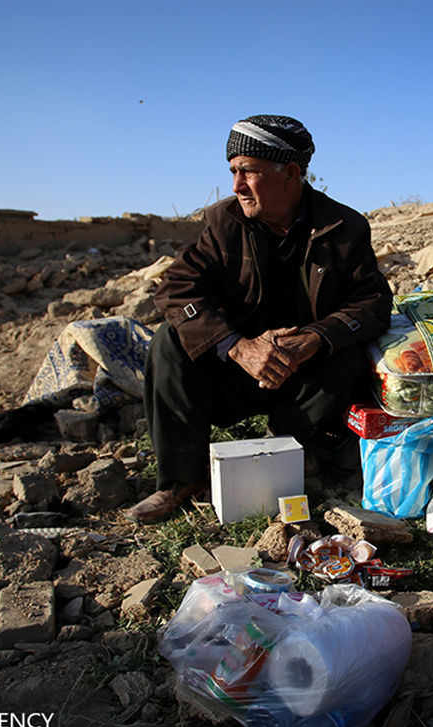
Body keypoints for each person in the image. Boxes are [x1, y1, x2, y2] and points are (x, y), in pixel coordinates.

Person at [127, 115, 392, 523]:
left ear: (290, 172)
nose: (236, 185)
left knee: (351, 351)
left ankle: (295, 443)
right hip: (236, 370)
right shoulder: (224, 222)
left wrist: (314, 339)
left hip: (303, 373)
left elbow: (373, 303)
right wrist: (237, 346)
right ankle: (180, 479)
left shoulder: (344, 227)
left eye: (247, 171)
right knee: (169, 340)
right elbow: (176, 288)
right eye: (233, 172)